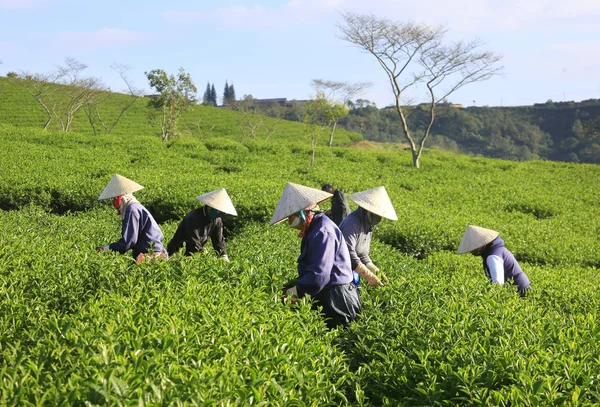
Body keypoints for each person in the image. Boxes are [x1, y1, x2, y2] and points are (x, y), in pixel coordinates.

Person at [270, 182, 361, 329]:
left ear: (304, 212)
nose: (290, 221)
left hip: (337, 299)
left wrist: (295, 292)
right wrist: (296, 283)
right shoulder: (315, 228)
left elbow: (319, 275)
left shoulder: (322, 232)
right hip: (328, 294)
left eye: (291, 216)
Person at [97, 174, 167, 263]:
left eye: (115, 199)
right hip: (146, 251)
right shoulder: (133, 207)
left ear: (120, 198)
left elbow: (129, 241)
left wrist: (107, 249)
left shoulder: (132, 209)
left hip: (149, 253)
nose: (113, 203)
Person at [340, 186, 397, 287]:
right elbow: (347, 253)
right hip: (340, 273)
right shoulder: (352, 223)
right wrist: (369, 275)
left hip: (352, 272)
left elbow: (362, 254)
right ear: (368, 211)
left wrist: (372, 267)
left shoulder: (368, 225)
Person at [457, 225, 531, 296]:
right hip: (519, 287)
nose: (472, 251)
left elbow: (498, 283)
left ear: (483, 244)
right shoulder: (496, 250)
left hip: (519, 290)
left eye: (474, 247)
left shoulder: (493, 256)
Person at [167, 188, 237, 261]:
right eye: (219, 211)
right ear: (210, 206)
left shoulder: (217, 220)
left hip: (195, 253)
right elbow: (193, 242)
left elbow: (218, 240)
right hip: (178, 253)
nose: (220, 214)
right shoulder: (193, 218)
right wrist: (205, 255)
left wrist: (223, 255)